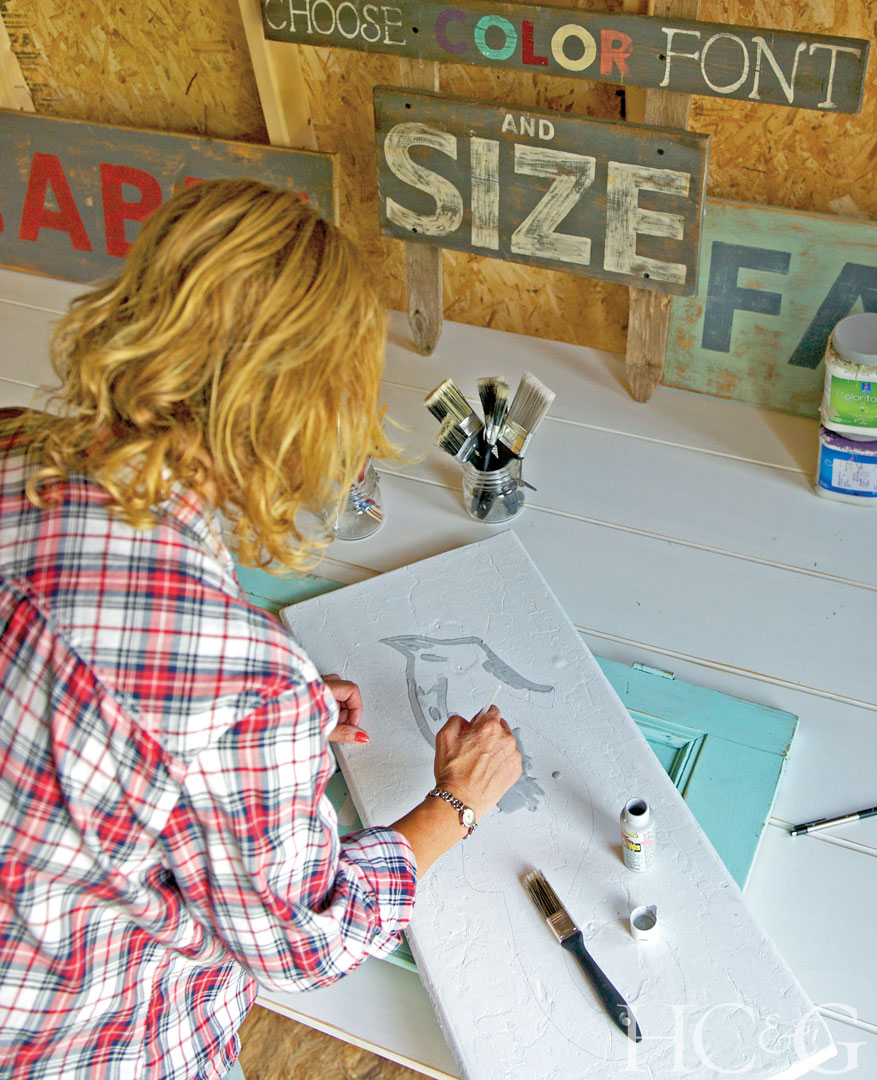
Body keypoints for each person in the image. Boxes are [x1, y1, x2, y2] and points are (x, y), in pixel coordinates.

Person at [0, 179, 522, 1080]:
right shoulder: (240, 681)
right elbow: (301, 945)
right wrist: (456, 805)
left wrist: (246, 731)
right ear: (315, 408)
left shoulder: (14, 446)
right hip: (79, 1043)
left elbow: (81, 698)